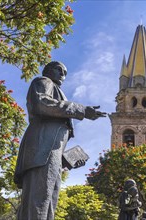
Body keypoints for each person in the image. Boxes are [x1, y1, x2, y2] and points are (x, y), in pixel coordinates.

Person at [14, 61, 106, 220]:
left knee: (48, 205)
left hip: (49, 157)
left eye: (65, 72)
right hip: (40, 156)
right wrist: (81, 110)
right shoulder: (43, 82)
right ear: (48, 70)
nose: (63, 74)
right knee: (38, 203)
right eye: (59, 70)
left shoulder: (56, 90)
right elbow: (41, 103)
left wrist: (66, 160)